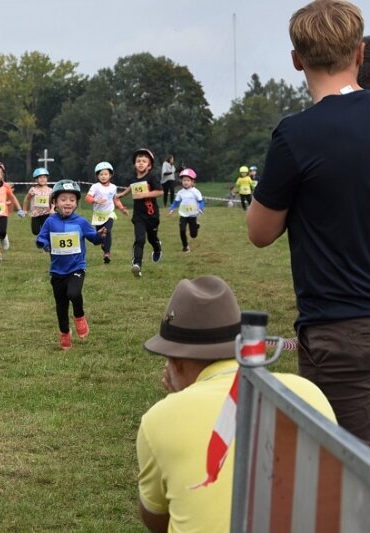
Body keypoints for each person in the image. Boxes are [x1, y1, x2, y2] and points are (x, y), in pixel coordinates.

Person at [247, 0, 370, 444]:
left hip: (339, 330)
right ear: (359, 51)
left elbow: (260, 233)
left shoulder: (295, 135)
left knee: (349, 475)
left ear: (296, 59)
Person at [137, 275, 335, 533]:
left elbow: (156, 518)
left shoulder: (159, 419)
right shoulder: (308, 393)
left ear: (177, 361)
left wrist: (178, 399)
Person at [36, 180, 106, 350]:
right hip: (57, 271)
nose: (68, 203)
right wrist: (43, 243)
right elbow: (42, 237)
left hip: (76, 267)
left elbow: (93, 239)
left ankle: (80, 316)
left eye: (72, 200)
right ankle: (65, 334)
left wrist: (100, 235)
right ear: (55, 203)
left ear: (76, 203)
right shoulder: (50, 222)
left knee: (74, 293)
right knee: (61, 306)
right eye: (63, 199)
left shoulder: (81, 222)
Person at [117, 148, 163, 278]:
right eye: (138, 161)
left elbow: (160, 192)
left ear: (149, 165)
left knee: (152, 238)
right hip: (138, 216)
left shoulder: (152, 177)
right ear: (134, 164)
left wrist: (144, 194)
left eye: (144, 161)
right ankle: (137, 264)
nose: (141, 163)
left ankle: (157, 247)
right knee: (140, 239)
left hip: (152, 215)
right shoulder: (133, 178)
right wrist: (122, 194)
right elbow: (132, 186)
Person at [85, 161, 129, 264]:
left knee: (107, 231)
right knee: (101, 237)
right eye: (101, 174)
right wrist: (95, 200)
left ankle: (107, 254)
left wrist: (122, 208)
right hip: (98, 215)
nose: (104, 176)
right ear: (97, 176)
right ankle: (103, 245)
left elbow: (115, 199)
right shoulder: (95, 187)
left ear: (110, 175)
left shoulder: (113, 187)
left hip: (109, 213)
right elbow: (87, 198)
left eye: (106, 174)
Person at [0, 161, 25, 252]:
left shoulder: (5, 186)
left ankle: (4, 237)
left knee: (2, 232)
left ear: (2, 175)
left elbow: (13, 197)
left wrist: (19, 209)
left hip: (3, 214)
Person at [168, 168, 204, 253]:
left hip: (193, 215)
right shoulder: (180, 192)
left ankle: (196, 226)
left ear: (192, 181)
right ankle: (185, 246)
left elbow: (201, 201)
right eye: (184, 180)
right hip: (183, 215)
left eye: (188, 180)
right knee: (182, 230)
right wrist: (172, 208)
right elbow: (176, 202)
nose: (185, 182)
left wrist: (201, 208)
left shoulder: (195, 192)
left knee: (193, 235)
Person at [22, 167, 53, 236]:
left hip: (46, 214)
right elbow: (27, 199)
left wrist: (52, 209)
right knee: (35, 231)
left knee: (46, 231)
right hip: (35, 214)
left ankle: (44, 241)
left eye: (44, 177)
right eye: (40, 177)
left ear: (47, 178)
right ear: (36, 179)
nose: (42, 179)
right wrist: (24, 210)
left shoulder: (50, 190)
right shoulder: (33, 190)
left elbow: (52, 201)